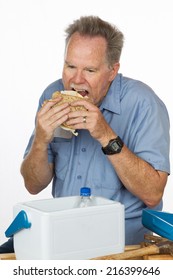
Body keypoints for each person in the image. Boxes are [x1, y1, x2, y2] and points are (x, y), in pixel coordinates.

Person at [20, 16, 170, 245]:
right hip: (62, 236)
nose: (75, 80)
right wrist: (41, 140)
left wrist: (105, 134)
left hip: (123, 245)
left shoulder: (144, 104)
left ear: (112, 71)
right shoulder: (52, 96)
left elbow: (152, 194)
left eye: (89, 70)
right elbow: (32, 185)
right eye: (70, 66)